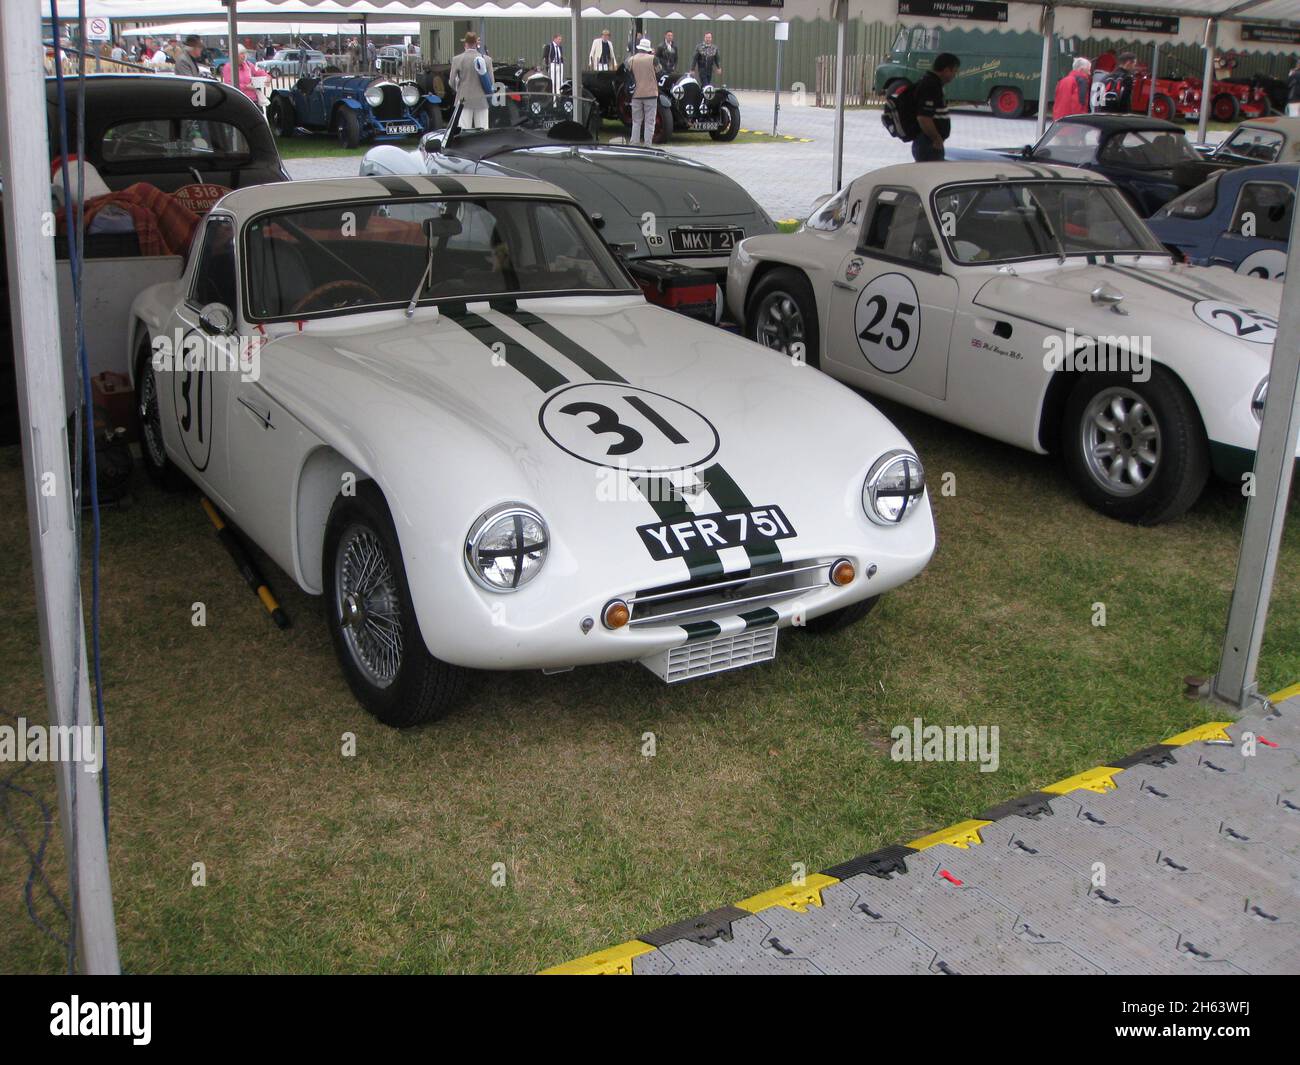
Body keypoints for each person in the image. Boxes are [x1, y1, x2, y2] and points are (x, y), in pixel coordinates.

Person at [912, 52, 959, 161]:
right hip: (928, 144)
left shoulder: (934, 83)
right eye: (954, 71)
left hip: (930, 143)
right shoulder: (930, 85)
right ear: (947, 70)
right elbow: (923, 118)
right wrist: (936, 138)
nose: (954, 76)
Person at [450, 32, 492, 129]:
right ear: (476, 44)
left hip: (463, 99)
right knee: (483, 132)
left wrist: (459, 89)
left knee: (464, 130)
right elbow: (491, 83)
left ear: (466, 43)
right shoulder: (487, 60)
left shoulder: (457, 59)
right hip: (481, 100)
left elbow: (451, 82)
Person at [627, 38, 659, 145]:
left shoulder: (631, 59)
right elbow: (659, 70)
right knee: (649, 122)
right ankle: (647, 144)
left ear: (639, 48)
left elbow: (627, 70)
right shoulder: (653, 59)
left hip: (636, 94)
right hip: (650, 93)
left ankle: (634, 143)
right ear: (648, 49)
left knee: (636, 121)